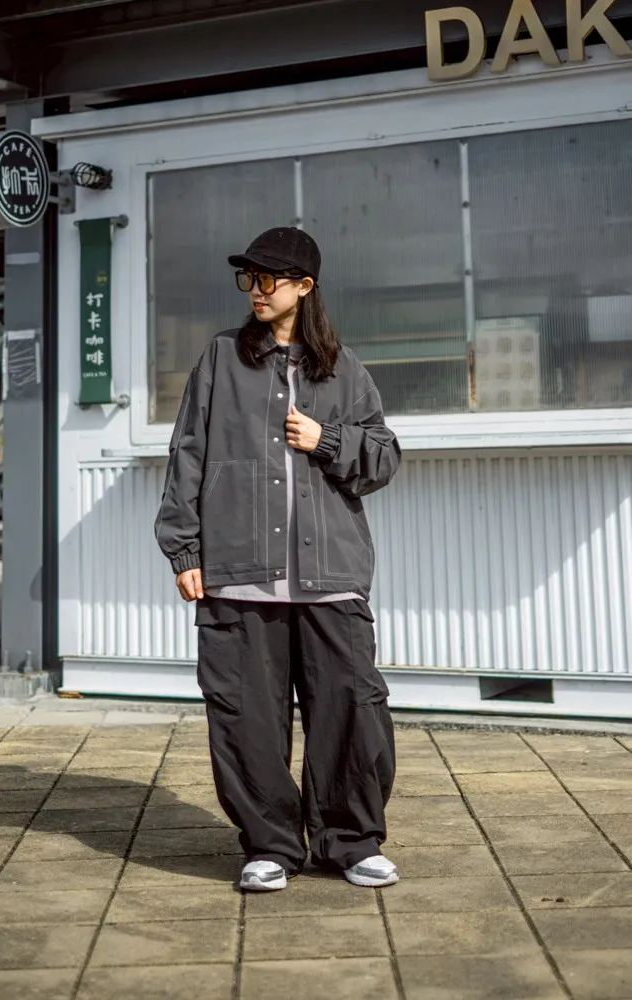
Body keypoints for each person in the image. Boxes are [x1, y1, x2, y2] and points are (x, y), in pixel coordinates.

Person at [155, 226, 402, 891]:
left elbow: (384, 458)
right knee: (246, 720)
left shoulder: (344, 369)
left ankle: (350, 842)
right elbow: (187, 454)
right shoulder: (220, 359)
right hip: (239, 576)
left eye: (267, 279)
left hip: (331, 579)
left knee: (352, 712)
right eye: (249, 278)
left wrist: (328, 439)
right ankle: (269, 845)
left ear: (304, 286)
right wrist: (183, 547)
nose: (255, 291)